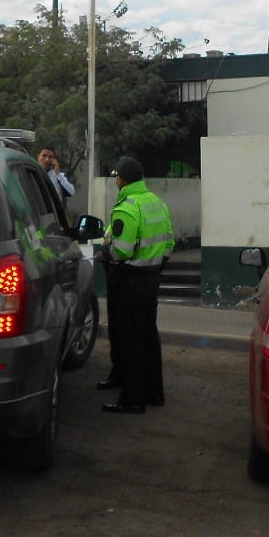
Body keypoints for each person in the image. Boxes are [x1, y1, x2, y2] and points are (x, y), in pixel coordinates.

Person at [98, 155, 175, 414]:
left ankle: (132, 399)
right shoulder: (157, 203)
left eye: (115, 177)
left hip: (128, 280)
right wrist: (155, 266)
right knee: (148, 336)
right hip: (150, 279)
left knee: (129, 340)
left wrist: (104, 254)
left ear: (121, 179)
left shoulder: (126, 208)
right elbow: (169, 243)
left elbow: (120, 251)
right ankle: (153, 393)